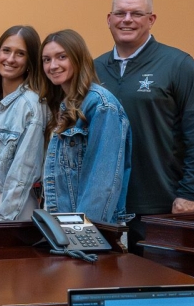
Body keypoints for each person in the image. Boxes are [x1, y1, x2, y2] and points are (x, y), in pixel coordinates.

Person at [94, 0, 194, 248]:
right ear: (109, 19)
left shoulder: (179, 65)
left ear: (151, 20)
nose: (127, 19)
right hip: (105, 206)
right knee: (106, 286)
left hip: (162, 207)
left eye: (136, 13)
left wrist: (191, 193)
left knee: (160, 287)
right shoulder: (93, 69)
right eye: (120, 13)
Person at [40, 29, 132, 225]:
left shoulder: (101, 105)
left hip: (87, 231)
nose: (53, 65)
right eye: (46, 60)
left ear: (78, 58)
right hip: (59, 223)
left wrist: (81, 233)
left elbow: (102, 183)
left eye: (61, 57)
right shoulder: (59, 105)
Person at [0, 26, 47, 222]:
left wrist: (4, 220)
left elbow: (24, 171)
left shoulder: (31, 104)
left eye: (20, 54)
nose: (10, 59)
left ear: (30, 61)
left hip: (10, 210)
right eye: (6, 50)